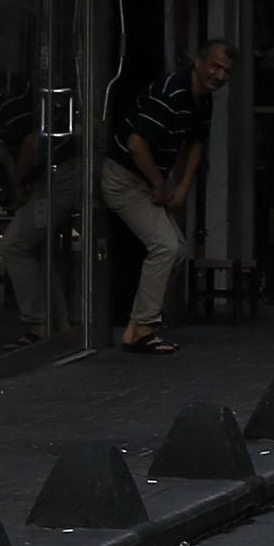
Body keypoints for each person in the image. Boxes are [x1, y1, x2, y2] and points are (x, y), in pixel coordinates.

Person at [104, 38, 232, 354]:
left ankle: (138, 326)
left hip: (147, 179)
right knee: (166, 245)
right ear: (199, 62)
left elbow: (197, 143)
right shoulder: (171, 92)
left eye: (226, 71)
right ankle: (142, 328)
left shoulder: (203, 100)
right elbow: (136, 144)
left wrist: (184, 188)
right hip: (124, 178)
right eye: (215, 66)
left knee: (176, 250)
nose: (219, 75)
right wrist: (160, 183)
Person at [0, 41, 57, 347]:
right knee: (33, 242)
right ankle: (53, 319)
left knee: (16, 244)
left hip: (54, 172)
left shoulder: (3, 92)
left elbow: (29, 143)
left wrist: (17, 184)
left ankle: (40, 323)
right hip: (43, 174)